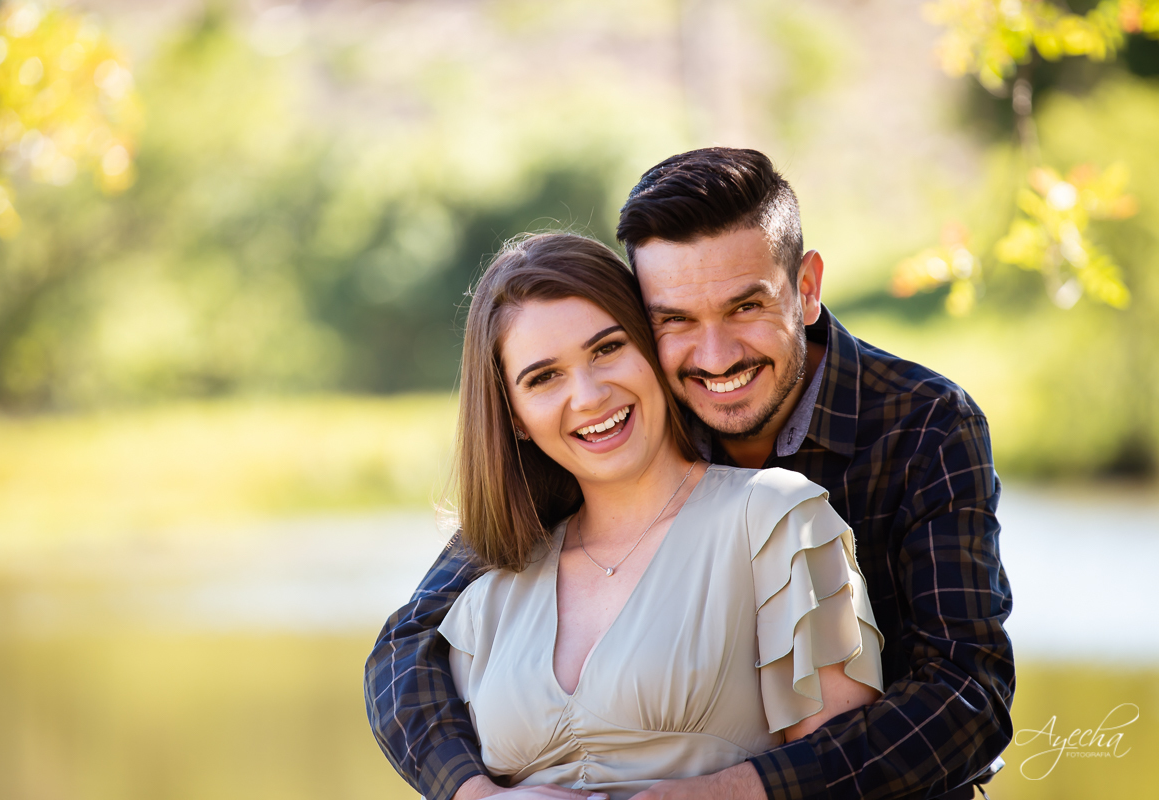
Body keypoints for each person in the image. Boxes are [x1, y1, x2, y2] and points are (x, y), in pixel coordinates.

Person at [366, 148, 1014, 800]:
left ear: (807, 289)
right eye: (674, 320)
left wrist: (729, 792)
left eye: (745, 308)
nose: (715, 356)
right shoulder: (616, 427)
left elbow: (966, 696)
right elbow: (408, 645)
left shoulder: (921, 423)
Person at [392, 230, 884, 800]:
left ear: (652, 352)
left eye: (607, 349)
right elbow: (398, 663)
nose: (589, 394)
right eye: (544, 377)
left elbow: (841, 776)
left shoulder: (776, 519)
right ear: (515, 415)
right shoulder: (493, 584)